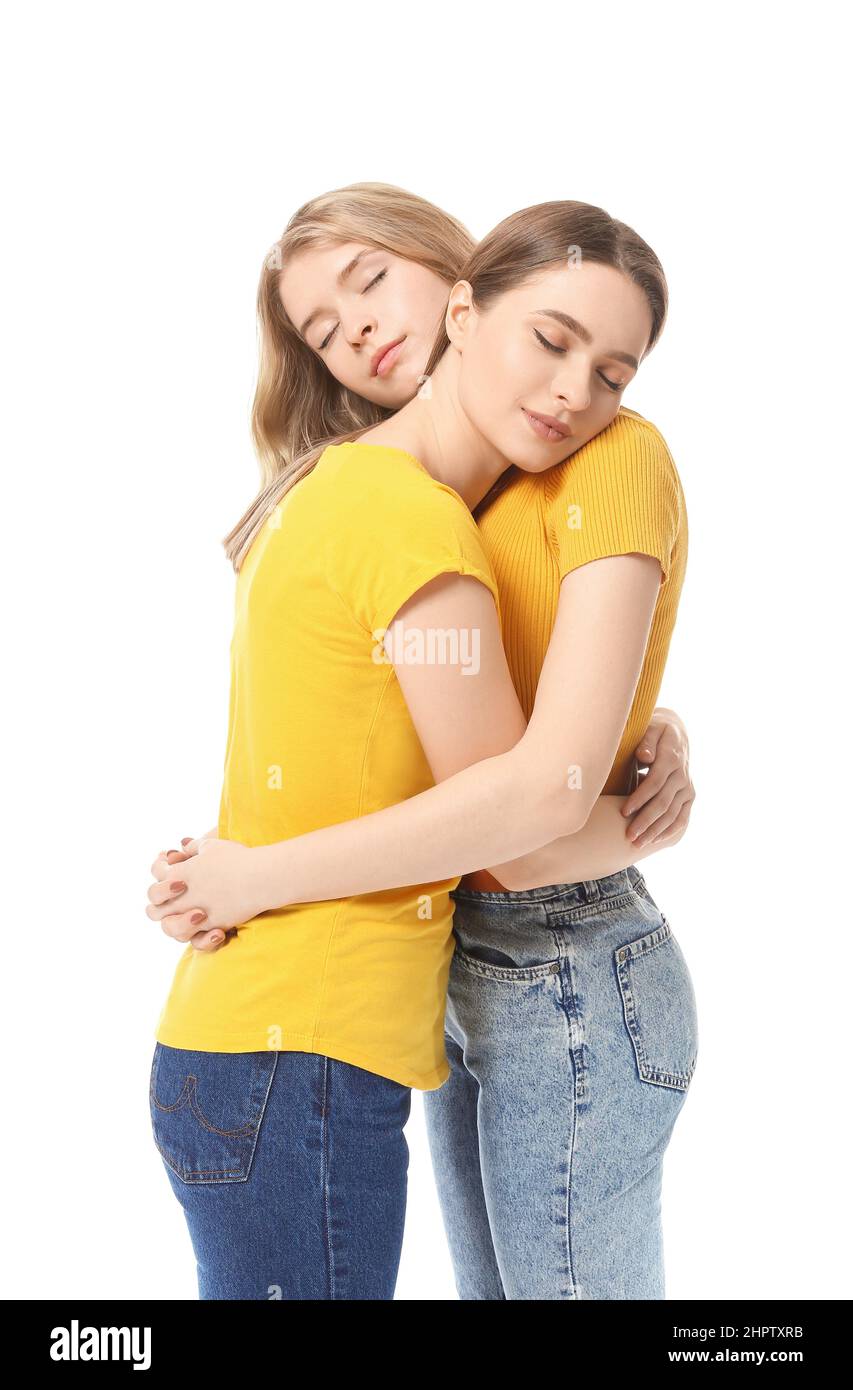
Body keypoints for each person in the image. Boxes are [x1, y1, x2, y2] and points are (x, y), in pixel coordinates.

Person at [148, 189, 697, 1300]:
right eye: (321, 326)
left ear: (448, 282)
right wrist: (247, 875)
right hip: (313, 1033)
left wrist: (643, 729)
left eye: (367, 280)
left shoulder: (435, 494)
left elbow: (507, 737)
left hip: (339, 1021)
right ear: (468, 310)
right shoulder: (405, 513)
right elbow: (523, 809)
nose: (356, 328)